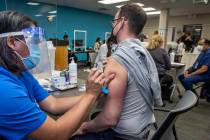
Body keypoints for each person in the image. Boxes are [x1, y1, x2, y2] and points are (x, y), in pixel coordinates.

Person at [0, 11, 115, 140]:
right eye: (33, 42)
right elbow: (56, 135)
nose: (37, 48)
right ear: (12, 42)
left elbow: (53, 104)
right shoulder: (4, 89)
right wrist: (90, 95)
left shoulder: (21, 72)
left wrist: (94, 93)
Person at [72, 4, 162, 140]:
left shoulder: (117, 60)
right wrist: (105, 89)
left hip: (124, 135)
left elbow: (109, 119)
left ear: (122, 22)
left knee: (72, 133)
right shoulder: (142, 53)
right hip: (145, 128)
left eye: (114, 21)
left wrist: (83, 127)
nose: (113, 25)